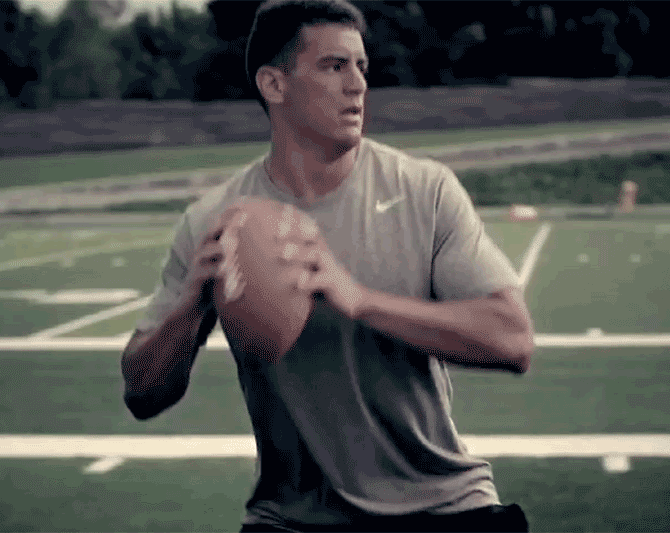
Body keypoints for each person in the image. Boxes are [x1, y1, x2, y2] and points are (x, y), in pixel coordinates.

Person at [120, 0, 535, 531]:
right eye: (334, 66)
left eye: (361, 67)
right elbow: (141, 395)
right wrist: (190, 308)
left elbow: (513, 341)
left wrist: (359, 299)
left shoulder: (423, 189)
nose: (358, 85)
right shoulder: (213, 220)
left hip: (442, 505)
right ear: (274, 84)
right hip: (291, 518)